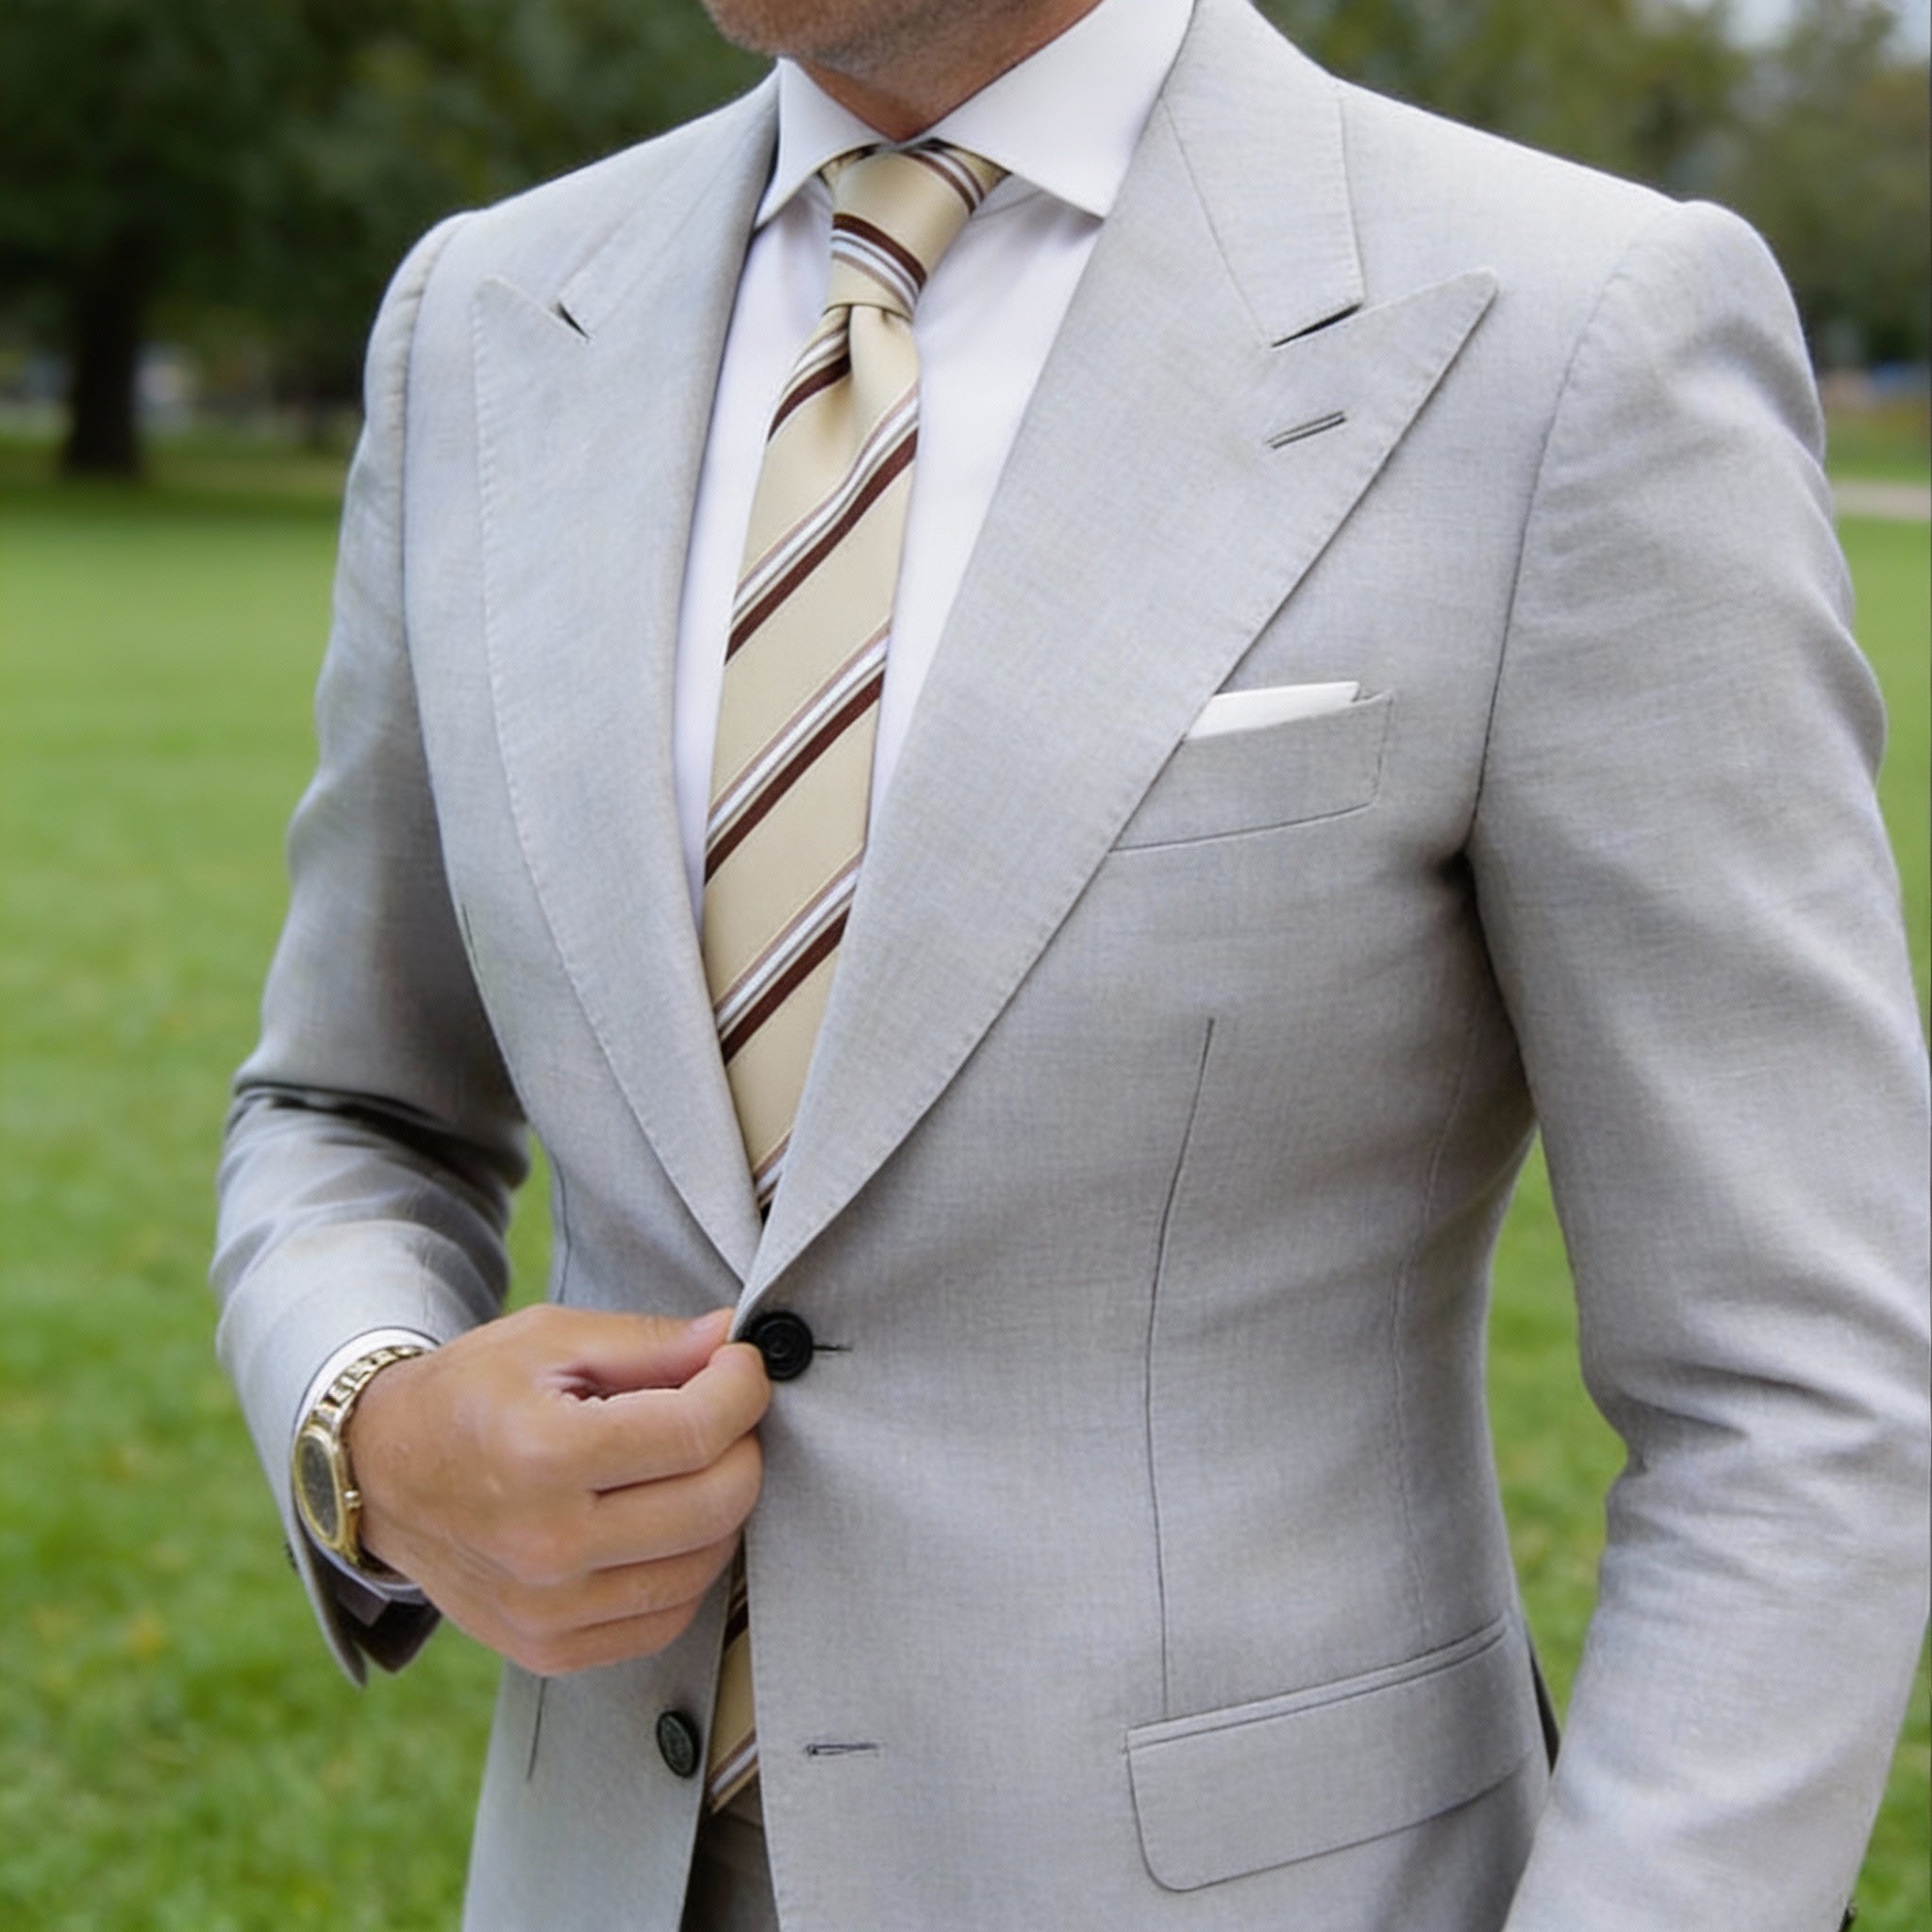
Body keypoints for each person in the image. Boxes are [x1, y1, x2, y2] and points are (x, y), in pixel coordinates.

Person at [210, 0, 1931, 1925]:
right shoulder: (485, 321)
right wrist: (368, 1417)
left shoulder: (1573, 330)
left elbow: (1798, 1389)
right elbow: (343, 1104)